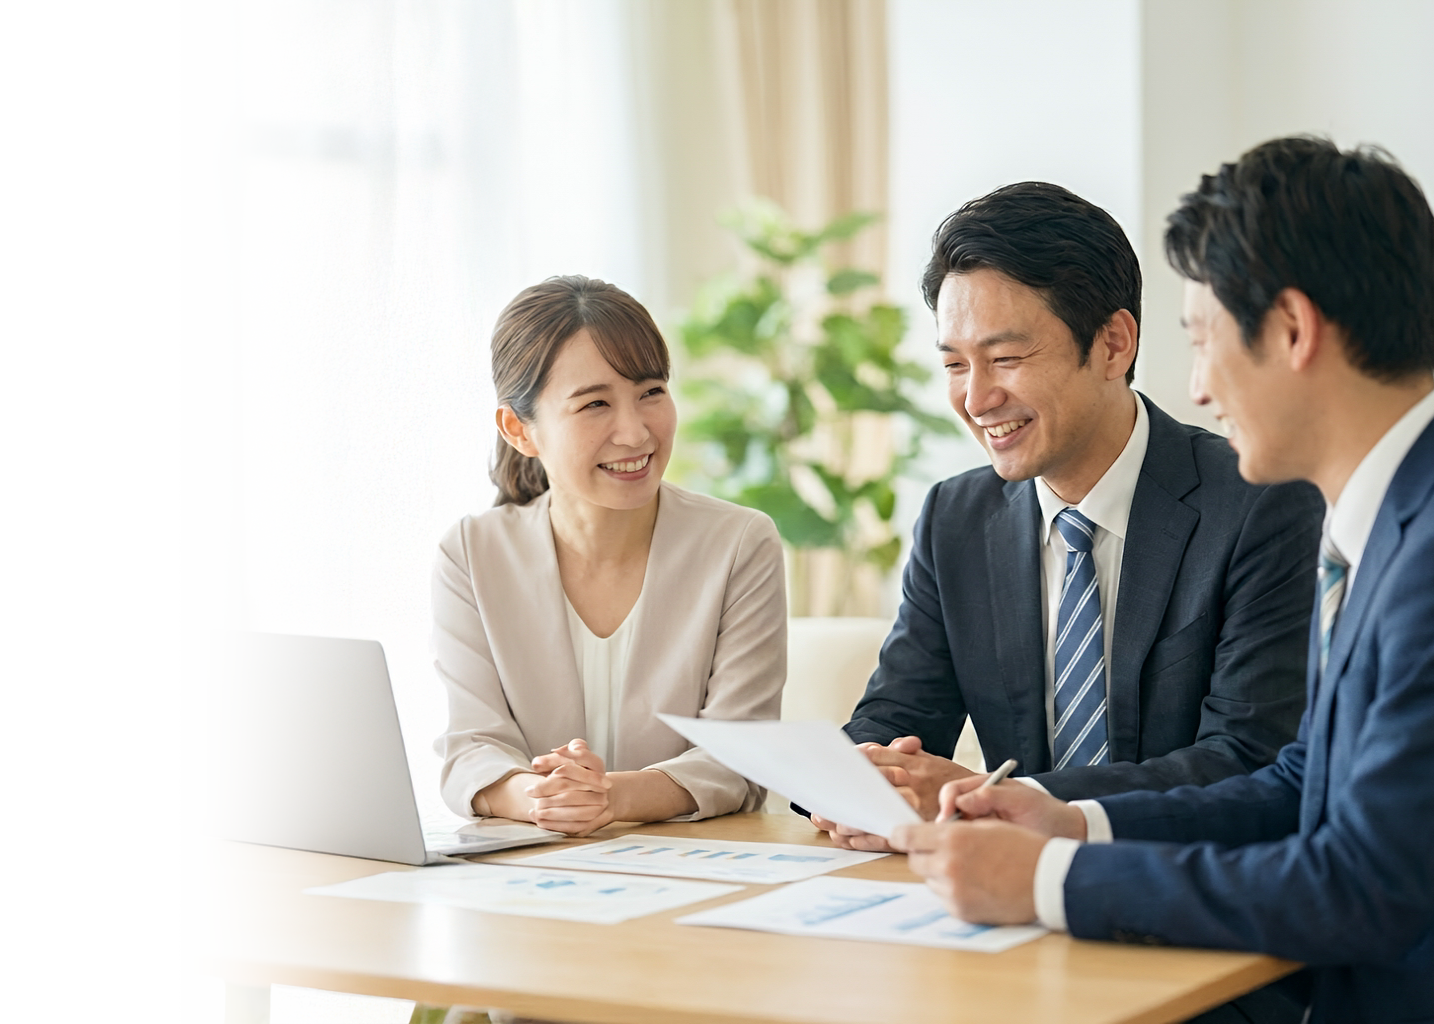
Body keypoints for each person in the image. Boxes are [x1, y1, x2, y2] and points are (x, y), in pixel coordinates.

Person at [895, 137, 1434, 1023]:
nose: (1199, 388)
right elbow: (1300, 785)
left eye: (1203, 339)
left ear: (1293, 331)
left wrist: (1056, 879)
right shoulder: (1380, 524)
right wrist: (1072, 823)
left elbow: (1361, 884)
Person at [811, 182, 1323, 848]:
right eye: (954, 364)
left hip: (1182, 884)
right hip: (1000, 902)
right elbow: (899, 715)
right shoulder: (955, 517)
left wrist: (1012, 800)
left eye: (1006, 358)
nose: (976, 397)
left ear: (1113, 344)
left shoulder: (1259, 500)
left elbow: (1249, 757)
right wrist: (863, 781)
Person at [432, 275, 786, 836]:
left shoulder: (740, 543)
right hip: (533, 879)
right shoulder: (473, 553)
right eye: (595, 404)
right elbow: (472, 748)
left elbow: (741, 759)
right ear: (519, 430)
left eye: (651, 392)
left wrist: (607, 797)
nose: (635, 431)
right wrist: (538, 797)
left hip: (696, 873)